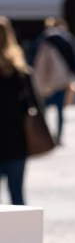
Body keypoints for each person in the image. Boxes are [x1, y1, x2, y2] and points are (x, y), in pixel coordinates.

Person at [0, 16, 45, 204]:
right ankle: (18, 234)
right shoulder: (20, 72)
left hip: (13, 140)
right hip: (16, 140)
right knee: (17, 196)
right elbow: (34, 105)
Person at [33, 18, 75, 144]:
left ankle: (46, 135)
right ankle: (59, 135)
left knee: (45, 109)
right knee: (60, 110)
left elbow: (34, 63)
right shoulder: (67, 41)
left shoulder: (41, 42)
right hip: (62, 80)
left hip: (46, 81)